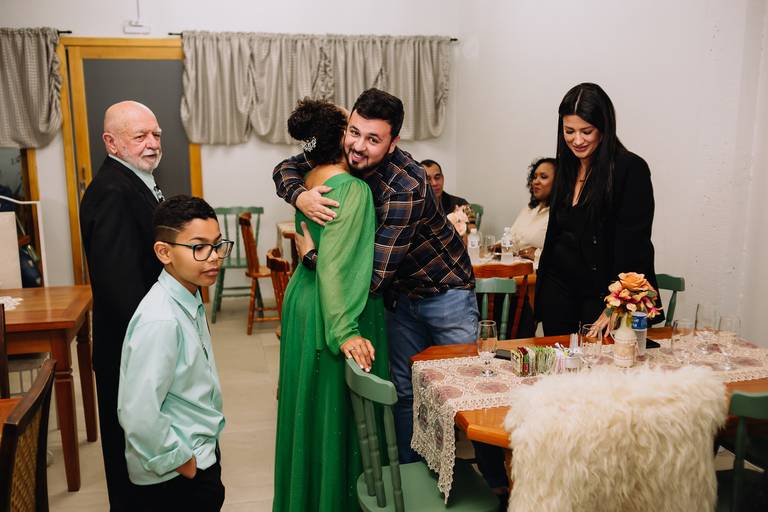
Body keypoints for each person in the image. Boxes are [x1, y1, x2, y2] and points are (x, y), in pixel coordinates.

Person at [272, 88, 477, 465]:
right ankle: (410, 471)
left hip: (443, 292)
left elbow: (372, 276)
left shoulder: (405, 186)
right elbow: (286, 167)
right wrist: (300, 196)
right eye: (353, 132)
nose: (358, 146)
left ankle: (492, 478)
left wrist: (314, 257)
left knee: (464, 392)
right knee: (403, 391)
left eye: (372, 139)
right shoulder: (347, 157)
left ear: (393, 142)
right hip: (399, 297)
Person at [272, 99, 389, 511]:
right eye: (352, 131)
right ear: (341, 137)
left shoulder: (308, 179)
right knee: (335, 416)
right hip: (334, 305)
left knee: (307, 410)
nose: (358, 141)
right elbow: (338, 268)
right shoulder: (352, 189)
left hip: (303, 297)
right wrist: (345, 331)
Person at [118, 195, 228, 511]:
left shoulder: (188, 297)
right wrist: (181, 462)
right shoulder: (161, 319)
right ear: (164, 252)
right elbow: (138, 412)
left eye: (217, 245)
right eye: (199, 247)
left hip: (197, 451)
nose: (213, 257)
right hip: (175, 474)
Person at [80, 100, 164, 510]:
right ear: (111, 143)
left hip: (142, 346)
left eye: (156, 134)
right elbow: (121, 288)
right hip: (131, 351)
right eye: (140, 136)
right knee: (132, 459)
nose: (152, 143)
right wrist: (155, 348)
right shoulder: (112, 192)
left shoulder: (134, 179)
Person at [536, 83, 662, 336]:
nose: (577, 140)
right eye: (569, 131)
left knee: (601, 358)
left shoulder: (629, 169)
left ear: (604, 127)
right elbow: (555, 235)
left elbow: (634, 246)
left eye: (587, 131)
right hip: (558, 293)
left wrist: (615, 307)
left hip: (603, 296)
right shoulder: (565, 168)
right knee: (557, 359)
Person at [509, 157, 556, 264]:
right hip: (515, 267)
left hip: (538, 271)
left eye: (543, 177)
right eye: (534, 177)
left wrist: (537, 254)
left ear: (558, 182)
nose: (535, 182)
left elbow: (565, 256)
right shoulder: (529, 208)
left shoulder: (561, 214)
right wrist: (499, 246)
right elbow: (512, 236)